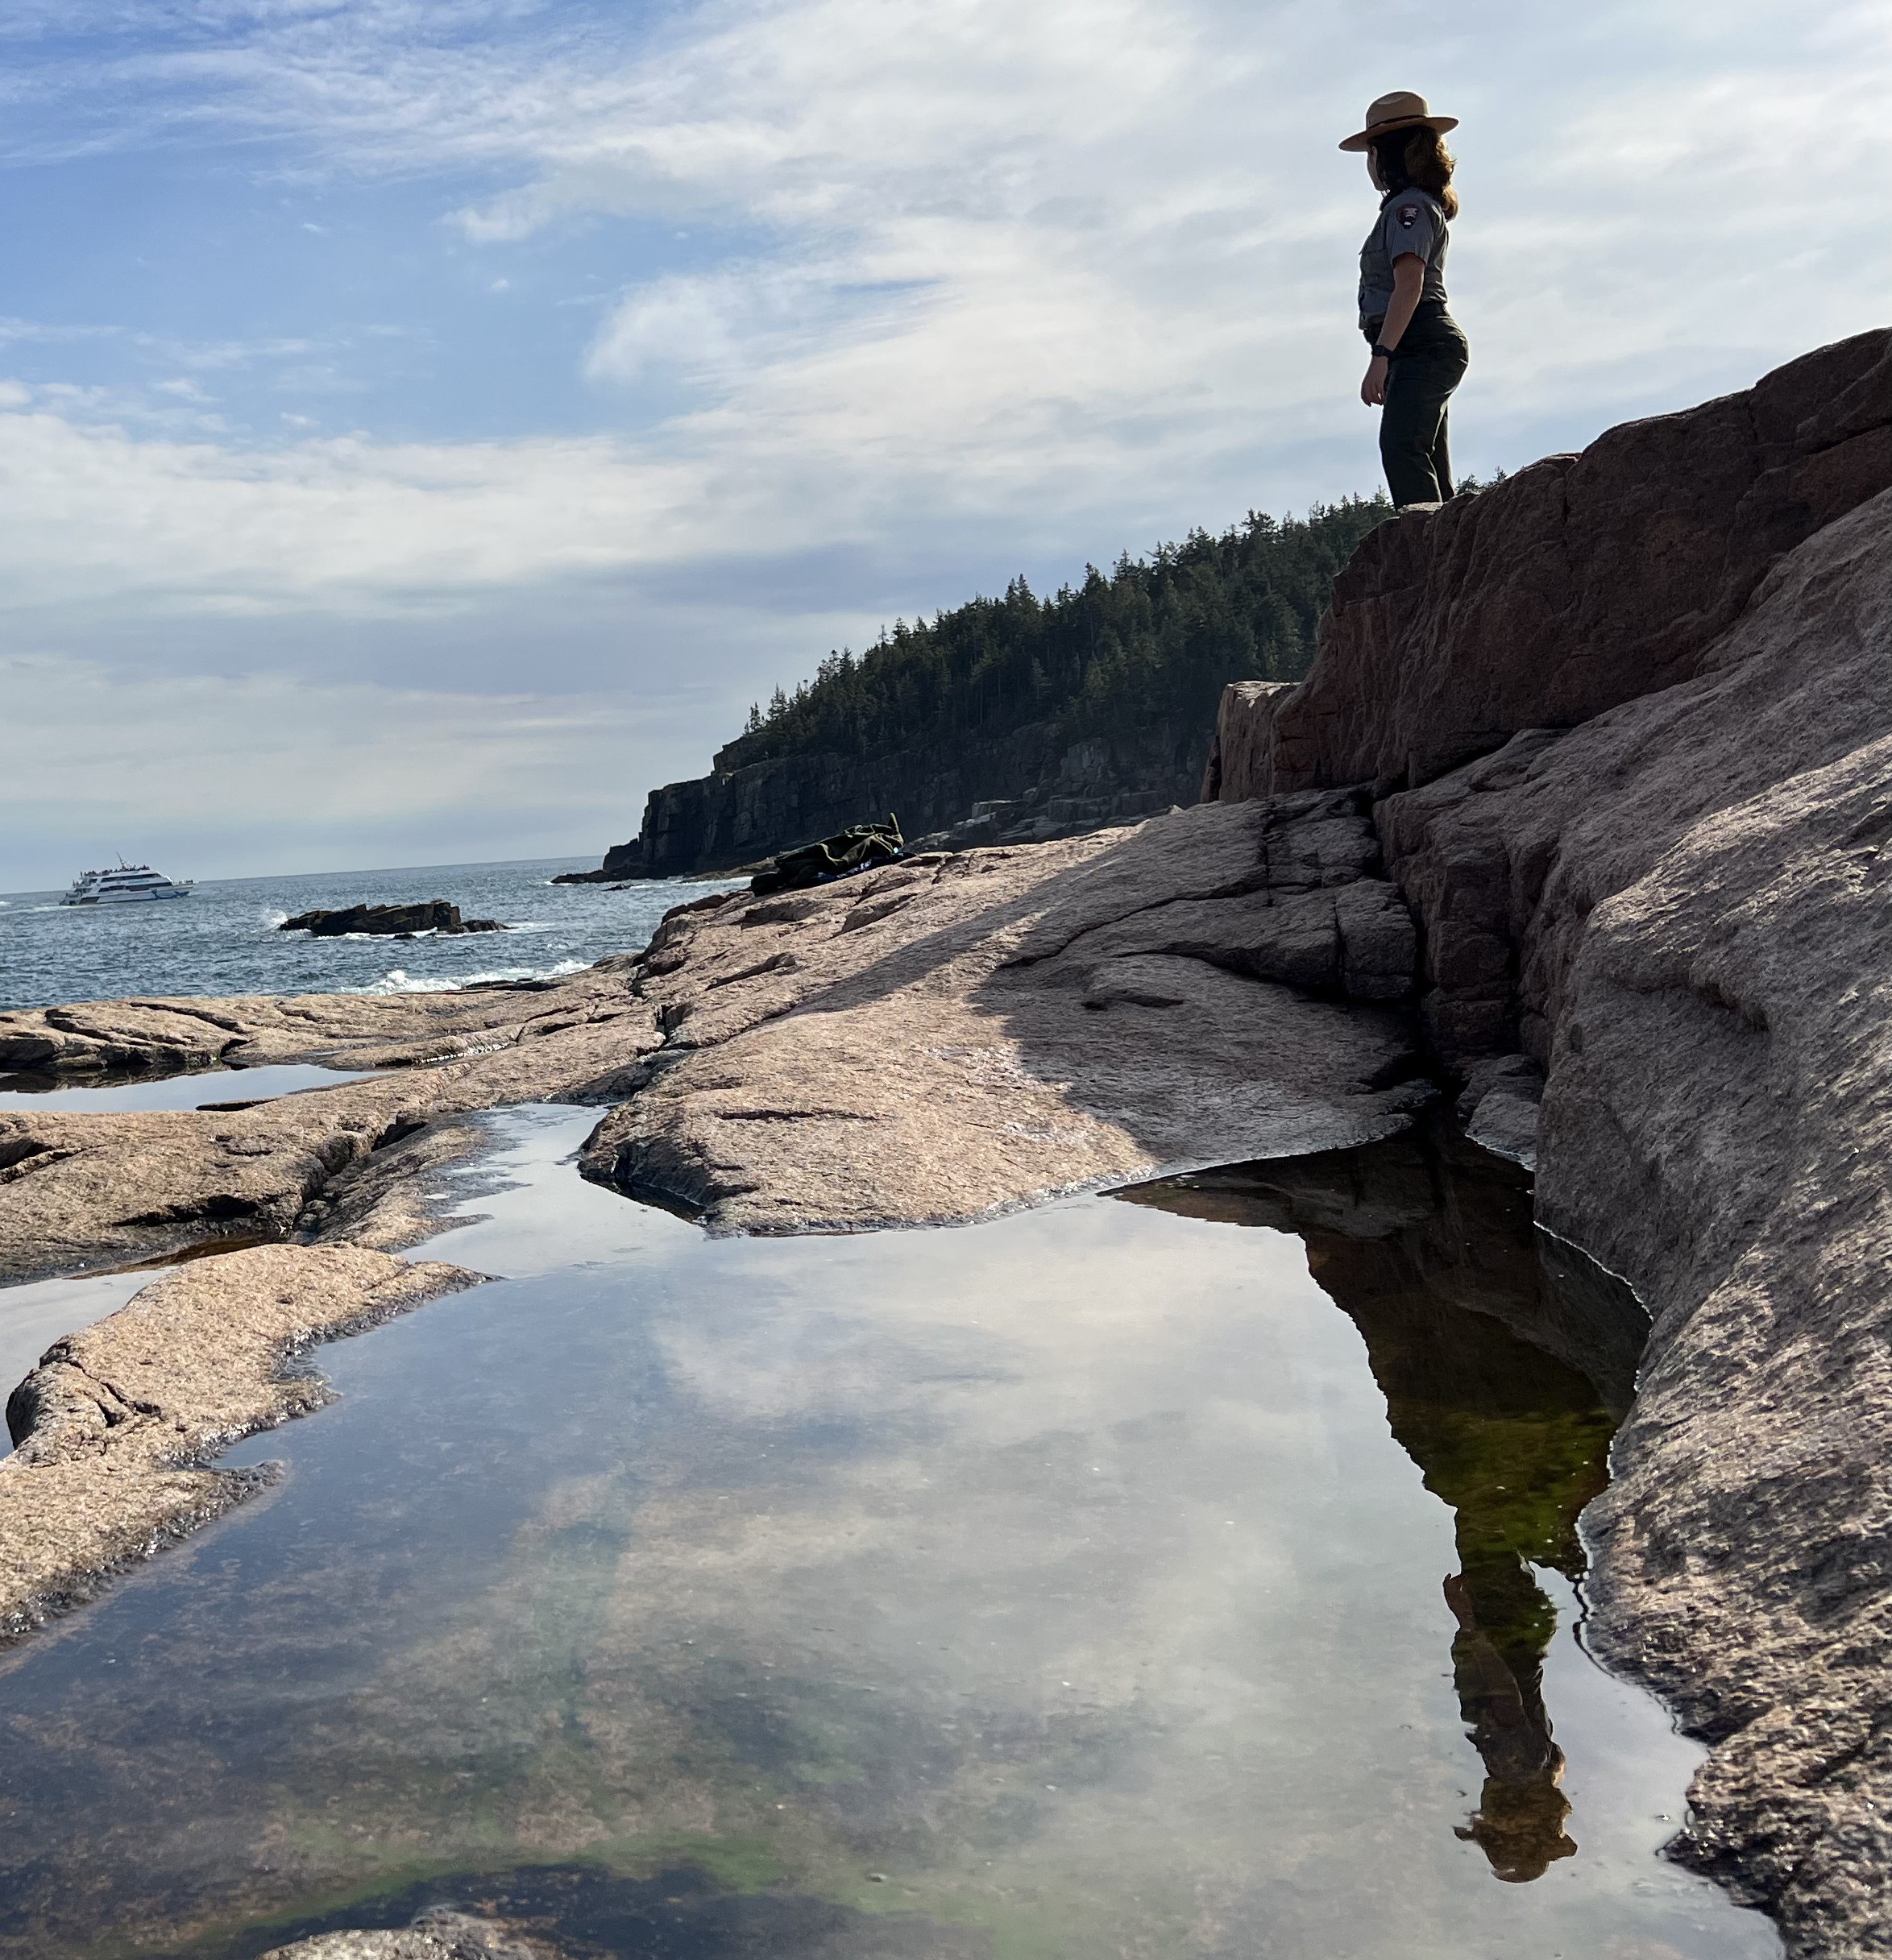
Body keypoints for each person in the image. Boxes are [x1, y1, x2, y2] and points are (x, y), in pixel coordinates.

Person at [1341, 91, 1468, 508]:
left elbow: (1409, 285)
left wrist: (1382, 355)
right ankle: (1446, 551)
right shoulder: (1409, 207)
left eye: (1372, 153)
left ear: (1387, 157)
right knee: (1427, 457)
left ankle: (1425, 551)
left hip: (1421, 342)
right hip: (1419, 345)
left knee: (1402, 449)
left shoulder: (1408, 208)